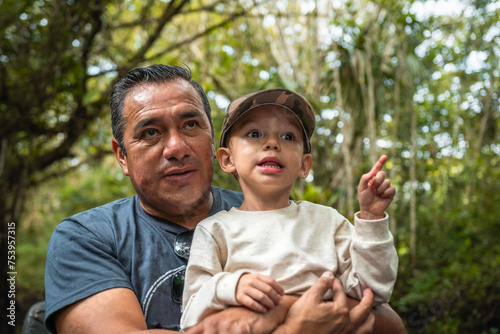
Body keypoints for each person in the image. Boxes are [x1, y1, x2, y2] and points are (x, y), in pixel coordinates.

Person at [44, 64, 405, 334]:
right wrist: (293, 325)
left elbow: (387, 320)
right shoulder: (87, 237)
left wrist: (273, 313)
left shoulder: (302, 216)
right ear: (122, 155)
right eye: (150, 132)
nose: (176, 148)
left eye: (190, 125)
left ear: (212, 141)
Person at [180, 89, 398, 330]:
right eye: (254, 134)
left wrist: (371, 218)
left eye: (288, 136)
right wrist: (231, 286)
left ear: (304, 165)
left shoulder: (327, 221)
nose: (272, 143)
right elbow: (191, 316)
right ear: (227, 160)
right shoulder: (214, 230)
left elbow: (372, 291)